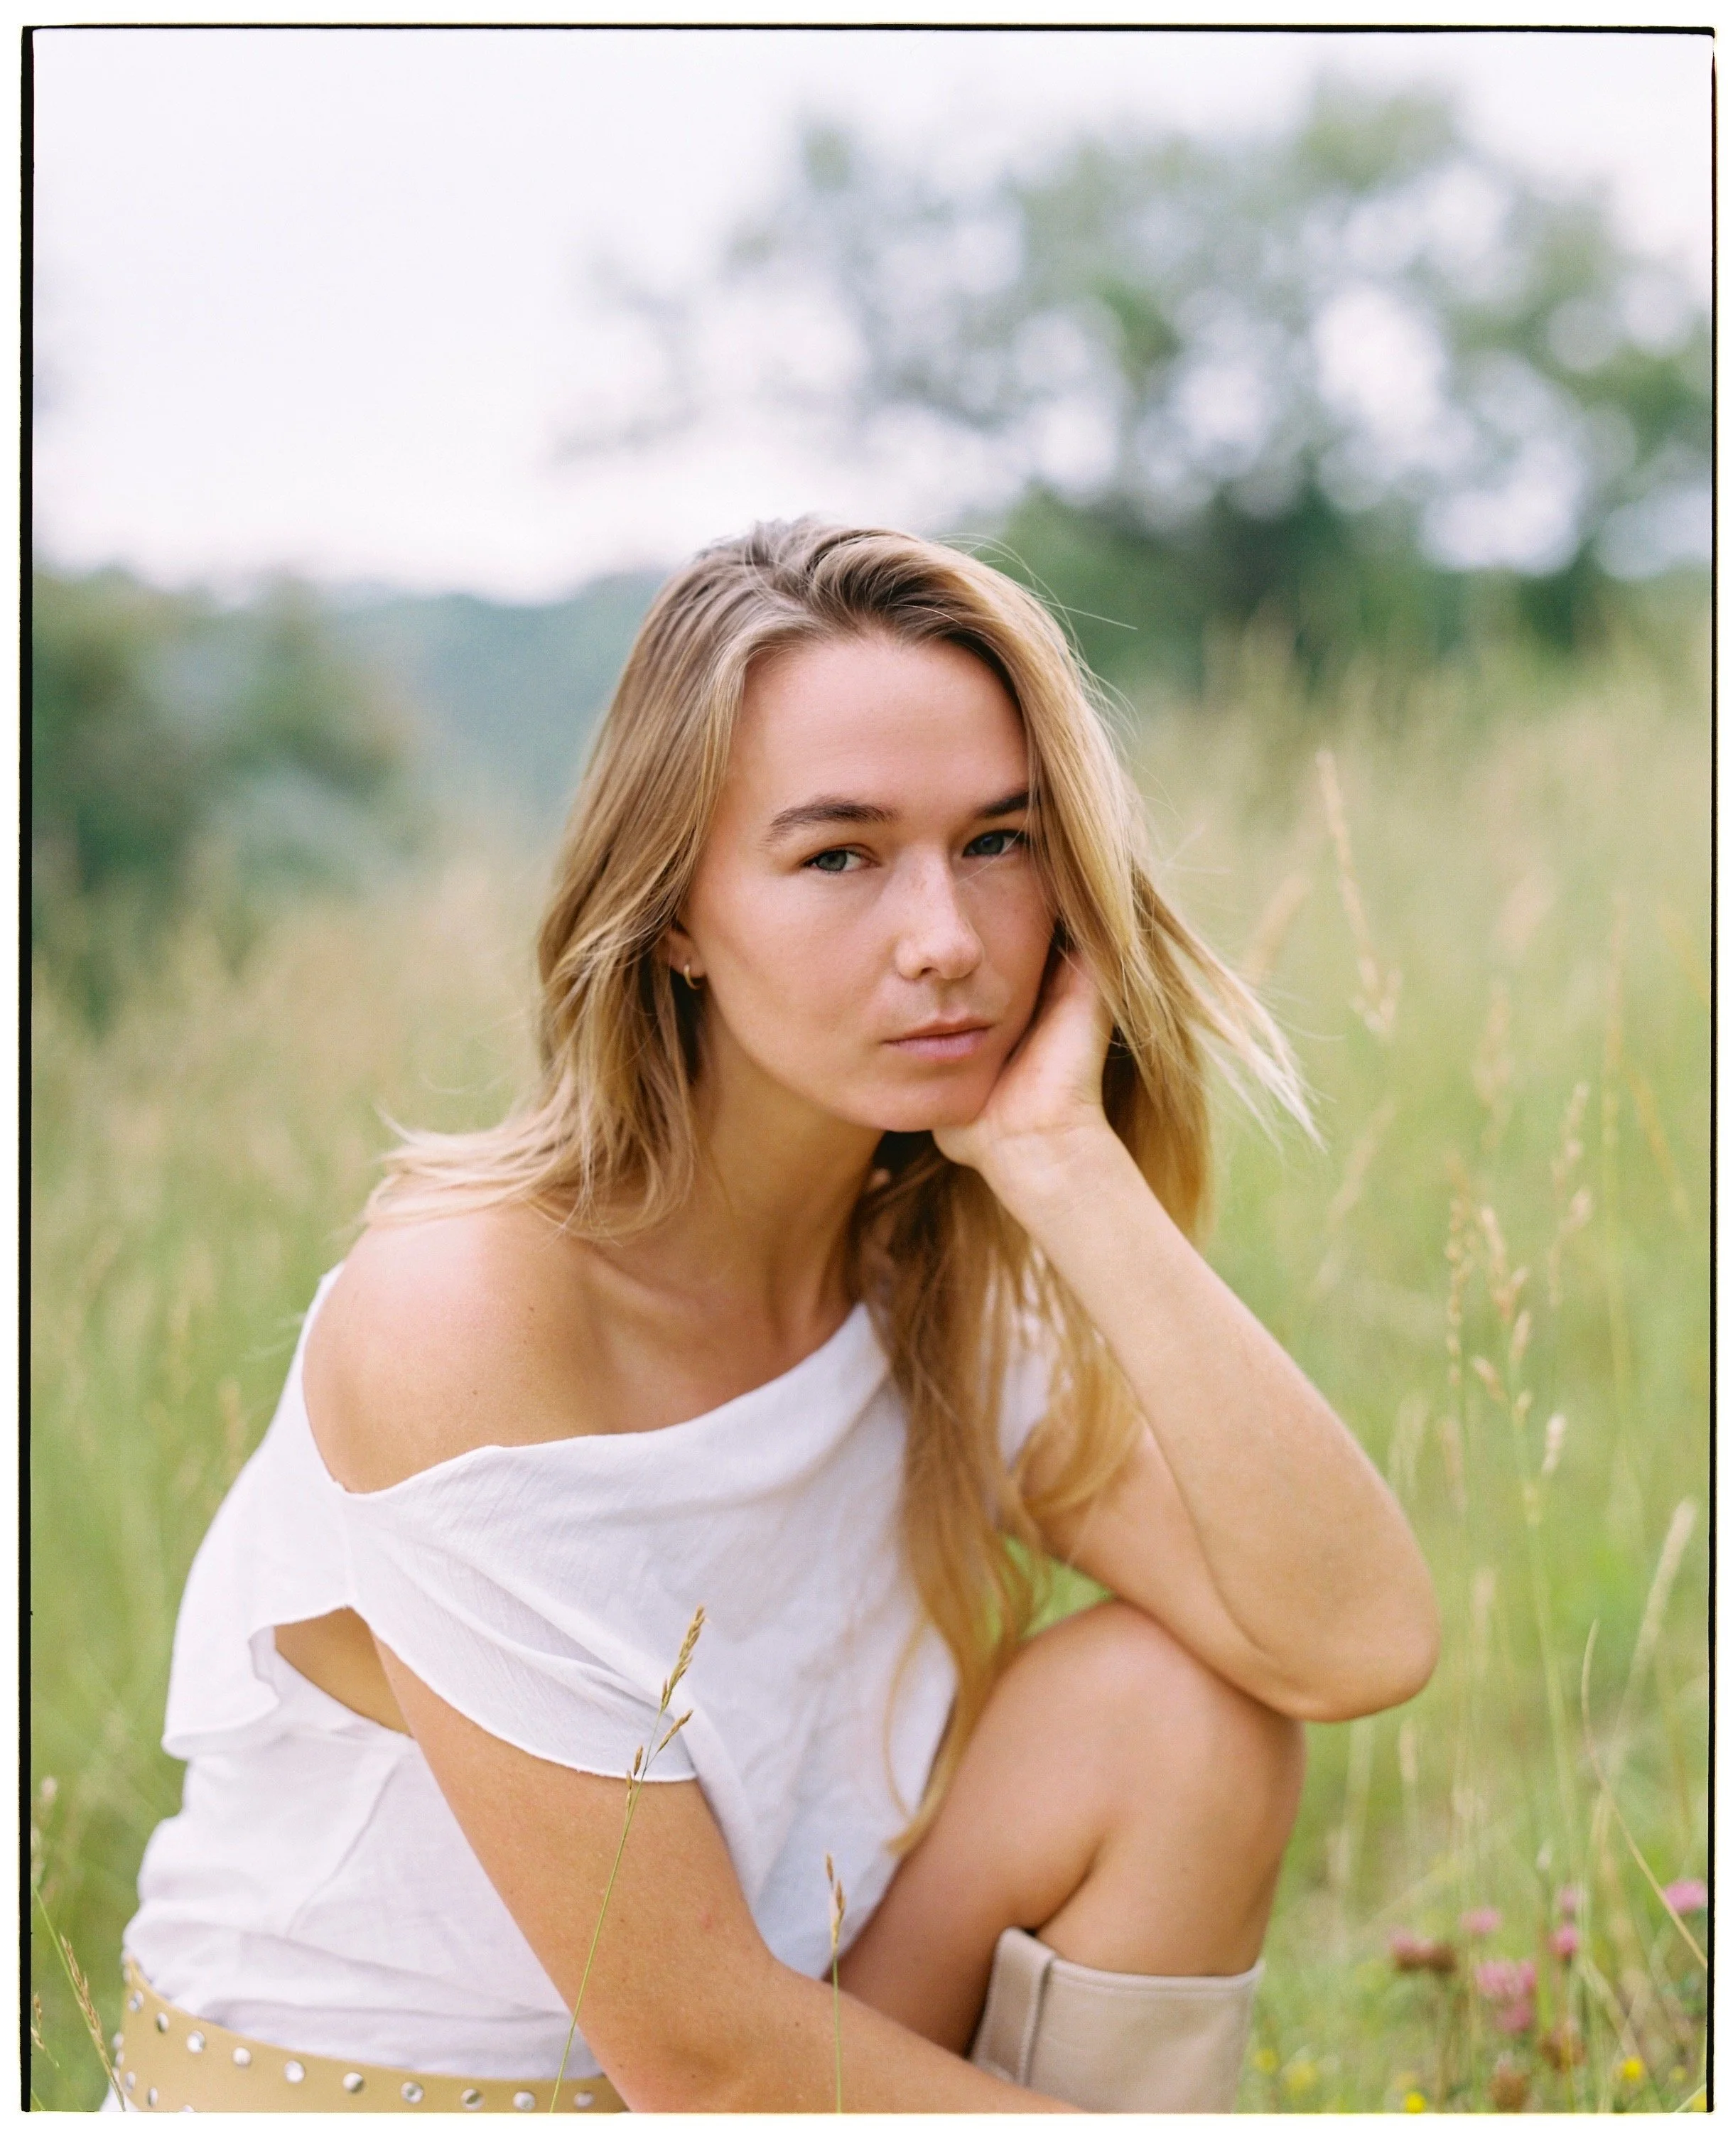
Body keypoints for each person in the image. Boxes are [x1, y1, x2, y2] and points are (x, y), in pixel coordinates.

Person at [115, 519, 1440, 2115]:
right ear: (672, 909)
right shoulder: (465, 1308)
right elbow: (706, 2054)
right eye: (839, 855)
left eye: (1000, 842)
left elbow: (1354, 1638)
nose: (946, 937)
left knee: (1181, 1715)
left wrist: (1065, 1165)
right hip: (411, 2109)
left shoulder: (924, 1285)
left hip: (767, 2076)